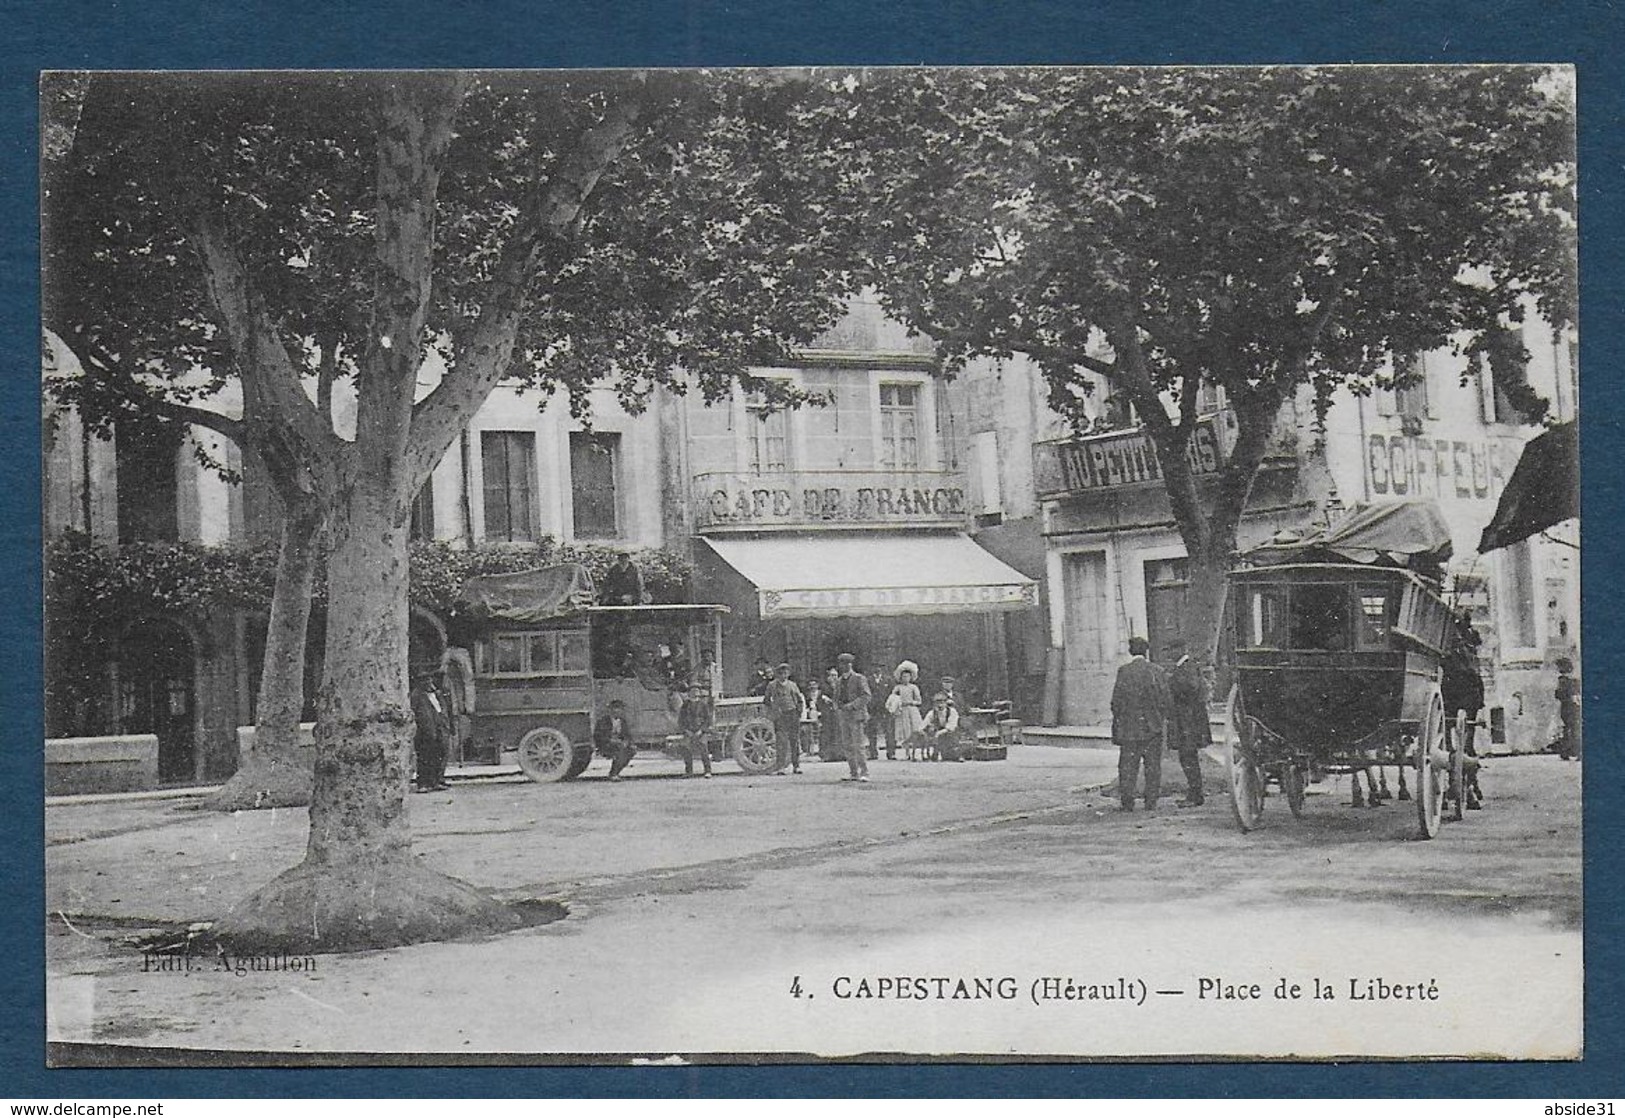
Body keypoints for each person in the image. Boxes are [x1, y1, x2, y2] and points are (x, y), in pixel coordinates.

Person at [1110, 636, 1171, 812]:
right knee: (1153, 766)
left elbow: (1116, 701)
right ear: (1146, 651)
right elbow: (1166, 700)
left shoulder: (1124, 671)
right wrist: (1158, 718)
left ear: (1131, 652)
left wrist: (1121, 719)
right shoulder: (1157, 671)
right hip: (1153, 727)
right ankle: (1151, 802)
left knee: (1128, 767)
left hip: (1129, 728)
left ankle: (1127, 803)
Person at [1442, 614, 1486, 808]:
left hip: (1453, 691)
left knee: (1455, 742)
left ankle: (1463, 785)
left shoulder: (1452, 640)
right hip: (1466, 693)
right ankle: (1470, 786)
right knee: (1467, 742)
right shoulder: (1468, 647)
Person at [1165, 638, 1210, 808]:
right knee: (1187, 757)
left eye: (1171, 650)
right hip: (1185, 721)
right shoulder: (1183, 667)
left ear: (1180, 649)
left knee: (1188, 757)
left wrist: (1171, 682)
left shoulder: (1188, 666)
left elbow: (1191, 687)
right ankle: (1194, 793)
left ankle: (1195, 795)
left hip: (1189, 721)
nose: (1169, 654)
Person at [410, 667, 451, 793]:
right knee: (425, 757)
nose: (429, 682)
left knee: (439, 755)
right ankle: (424, 783)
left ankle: (437, 780)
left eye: (429, 679)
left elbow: (443, 711)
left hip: (439, 729)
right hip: (424, 732)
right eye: (425, 680)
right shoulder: (416, 695)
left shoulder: (437, 695)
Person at [833, 652, 872, 782]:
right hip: (844, 715)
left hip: (856, 715)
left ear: (850, 664)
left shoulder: (859, 678)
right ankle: (853, 772)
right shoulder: (839, 681)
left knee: (858, 745)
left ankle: (864, 772)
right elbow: (836, 697)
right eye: (841, 664)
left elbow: (866, 695)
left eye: (846, 663)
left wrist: (852, 705)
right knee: (847, 745)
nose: (843, 666)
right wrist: (837, 706)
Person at [763, 662, 806, 775]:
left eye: (785, 673)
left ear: (788, 674)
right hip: (779, 716)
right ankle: (781, 767)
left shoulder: (792, 685)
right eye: (781, 673)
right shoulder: (772, 685)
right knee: (781, 742)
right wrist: (774, 710)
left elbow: (799, 700)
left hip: (792, 714)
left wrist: (798, 712)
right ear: (777, 674)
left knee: (794, 740)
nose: (783, 675)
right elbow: (766, 700)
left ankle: (796, 766)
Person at [592, 699, 638, 782]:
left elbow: (627, 735)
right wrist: (612, 741)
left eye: (620, 708)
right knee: (620, 749)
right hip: (605, 745)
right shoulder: (603, 721)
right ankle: (613, 774)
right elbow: (599, 736)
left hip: (619, 744)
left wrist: (627, 742)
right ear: (611, 710)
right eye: (615, 708)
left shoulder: (622, 721)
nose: (618, 711)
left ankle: (616, 771)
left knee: (631, 750)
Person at [889, 660, 925, 760]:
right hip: (902, 711)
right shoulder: (898, 688)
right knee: (905, 731)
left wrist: (911, 702)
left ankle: (914, 752)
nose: (905, 679)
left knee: (914, 731)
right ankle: (907, 753)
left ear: (911, 677)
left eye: (907, 677)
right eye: (903, 677)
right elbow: (892, 699)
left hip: (912, 711)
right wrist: (896, 704)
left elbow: (919, 701)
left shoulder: (914, 687)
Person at [678, 680, 714, 778]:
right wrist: (686, 731)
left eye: (697, 690)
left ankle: (707, 771)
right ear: (689, 693)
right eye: (692, 691)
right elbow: (681, 720)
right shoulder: (685, 705)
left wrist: (701, 730)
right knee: (685, 747)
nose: (695, 693)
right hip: (689, 732)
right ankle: (689, 771)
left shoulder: (703, 705)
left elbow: (708, 720)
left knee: (703, 747)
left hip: (701, 732)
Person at [913, 691, 960, 761]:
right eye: (937, 703)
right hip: (939, 735)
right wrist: (923, 732)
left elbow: (951, 727)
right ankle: (933, 753)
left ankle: (955, 754)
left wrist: (938, 733)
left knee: (951, 755)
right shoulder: (932, 713)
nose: (940, 705)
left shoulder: (952, 712)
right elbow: (923, 724)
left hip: (951, 734)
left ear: (946, 703)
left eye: (942, 703)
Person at [1555, 656, 1580, 762]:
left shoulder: (1563, 680)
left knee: (1568, 729)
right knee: (1573, 728)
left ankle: (1568, 751)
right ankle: (1574, 751)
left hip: (1567, 707)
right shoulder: (1575, 680)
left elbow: (1559, 694)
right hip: (1573, 706)